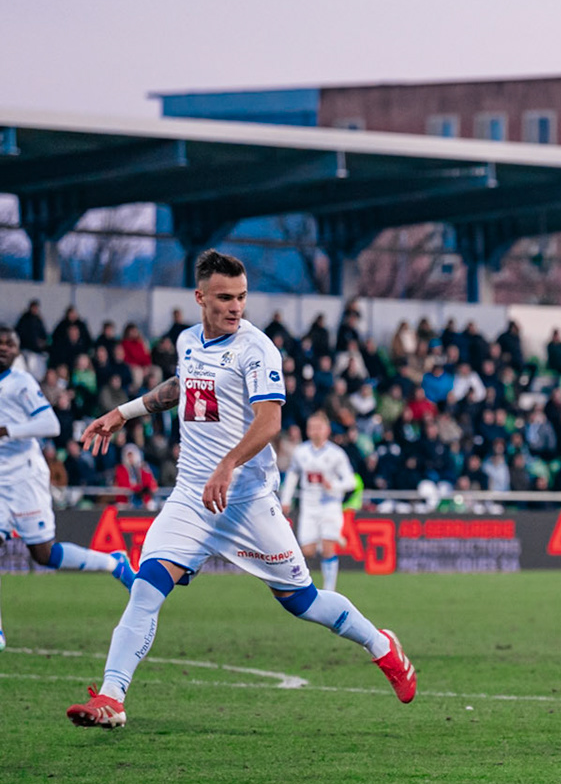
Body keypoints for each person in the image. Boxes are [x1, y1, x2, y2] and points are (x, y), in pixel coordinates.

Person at [65, 251, 416, 730]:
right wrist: (122, 414)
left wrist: (228, 465)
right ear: (201, 297)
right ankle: (112, 696)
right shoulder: (188, 341)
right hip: (192, 495)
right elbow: (179, 387)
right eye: (225, 297)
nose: (235, 307)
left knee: (303, 602)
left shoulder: (258, 349)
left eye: (242, 297)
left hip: (246, 501)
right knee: (146, 590)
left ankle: (382, 646)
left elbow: (269, 421)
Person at [0, 324, 136, 648]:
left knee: (44, 554)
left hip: (24, 477)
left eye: (9, 343)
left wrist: (8, 431)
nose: (3, 347)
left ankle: (114, 562)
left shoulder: (20, 383)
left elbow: (49, 423)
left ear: (17, 351)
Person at [280, 411, 358, 592]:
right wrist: (286, 499)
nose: (315, 431)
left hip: (330, 505)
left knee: (328, 549)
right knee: (307, 550)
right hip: (309, 506)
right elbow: (292, 475)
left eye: (319, 427)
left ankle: (330, 590)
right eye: (312, 427)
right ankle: (329, 538)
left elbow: (351, 480)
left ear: (327, 430)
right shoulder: (301, 452)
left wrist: (334, 486)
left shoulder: (336, 454)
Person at [111, 443, 159, 508]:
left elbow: (149, 483)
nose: (130, 458)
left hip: (142, 498)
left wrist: (146, 470)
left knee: (152, 505)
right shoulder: (120, 469)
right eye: (128, 456)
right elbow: (123, 485)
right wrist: (138, 488)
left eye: (132, 455)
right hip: (126, 499)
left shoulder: (143, 468)